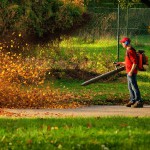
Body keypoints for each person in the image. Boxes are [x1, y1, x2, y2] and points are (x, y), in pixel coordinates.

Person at [117, 37, 143, 108]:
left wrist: (131, 72)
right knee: (130, 87)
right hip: (129, 71)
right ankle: (132, 100)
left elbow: (135, 63)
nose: (122, 44)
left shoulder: (130, 51)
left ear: (126, 43)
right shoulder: (128, 50)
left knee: (134, 86)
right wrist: (120, 63)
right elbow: (128, 62)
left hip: (131, 72)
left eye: (122, 43)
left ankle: (139, 101)